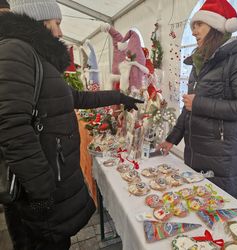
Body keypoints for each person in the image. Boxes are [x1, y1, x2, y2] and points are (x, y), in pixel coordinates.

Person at [0, 0, 143, 249]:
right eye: (56, 24)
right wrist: (41, 189)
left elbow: (74, 97)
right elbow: (11, 128)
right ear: (40, 22)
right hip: (40, 192)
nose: (60, 32)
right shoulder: (15, 51)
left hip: (52, 184)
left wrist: (119, 97)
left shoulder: (36, 57)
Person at [158, 0, 237, 200]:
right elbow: (190, 107)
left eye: (199, 25)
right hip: (196, 153)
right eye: (193, 26)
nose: (194, 31)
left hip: (221, 159)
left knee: (219, 215)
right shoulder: (201, 61)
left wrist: (199, 104)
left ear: (216, 27)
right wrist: (172, 139)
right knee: (197, 207)